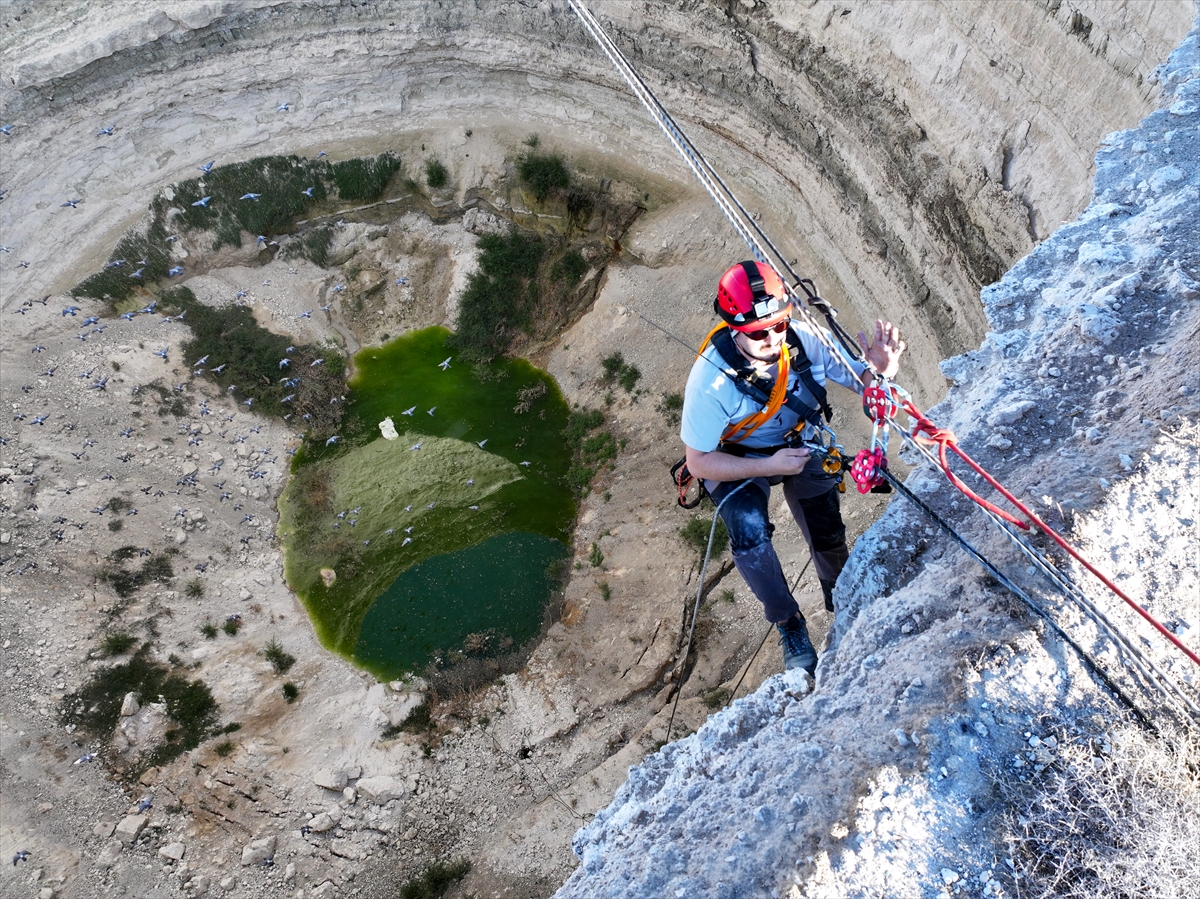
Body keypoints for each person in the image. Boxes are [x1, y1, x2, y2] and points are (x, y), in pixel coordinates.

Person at [680, 260, 906, 675]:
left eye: (779, 326)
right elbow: (699, 461)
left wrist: (881, 373)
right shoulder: (710, 383)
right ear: (734, 330)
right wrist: (767, 465)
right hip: (738, 457)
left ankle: (845, 598)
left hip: (797, 445)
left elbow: (864, 383)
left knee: (826, 526)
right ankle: (788, 622)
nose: (772, 338)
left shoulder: (802, 340)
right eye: (758, 333)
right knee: (749, 530)